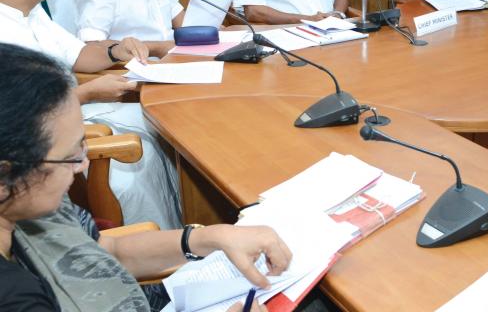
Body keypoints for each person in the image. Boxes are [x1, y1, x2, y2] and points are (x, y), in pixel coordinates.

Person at [0, 42, 289, 311]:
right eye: (71, 154)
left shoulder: (29, 201)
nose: (82, 163)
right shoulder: (16, 297)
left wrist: (206, 238)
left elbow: (107, 252)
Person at [0, 0, 182, 230]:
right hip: (47, 143)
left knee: (170, 124)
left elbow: (80, 54)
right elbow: (19, 119)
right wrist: (88, 93)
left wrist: (117, 50)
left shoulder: (30, 15)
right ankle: (146, 252)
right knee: (138, 164)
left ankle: (184, 225)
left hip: (78, 112)